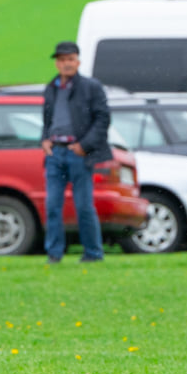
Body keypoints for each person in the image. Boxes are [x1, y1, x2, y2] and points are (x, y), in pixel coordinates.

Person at [41, 41, 112, 263]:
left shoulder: (91, 87)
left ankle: (92, 253)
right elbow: (47, 119)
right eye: (62, 60)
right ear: (57, 63)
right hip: (55, 154)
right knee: (52, 205)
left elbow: (103, 119)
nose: (66, 64)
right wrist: (44, 140)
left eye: (70, 59)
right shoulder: (51, 88)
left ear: (78, 62)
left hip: (78, 154)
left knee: (83, 206)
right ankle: (54, 253)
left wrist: (84, 146)